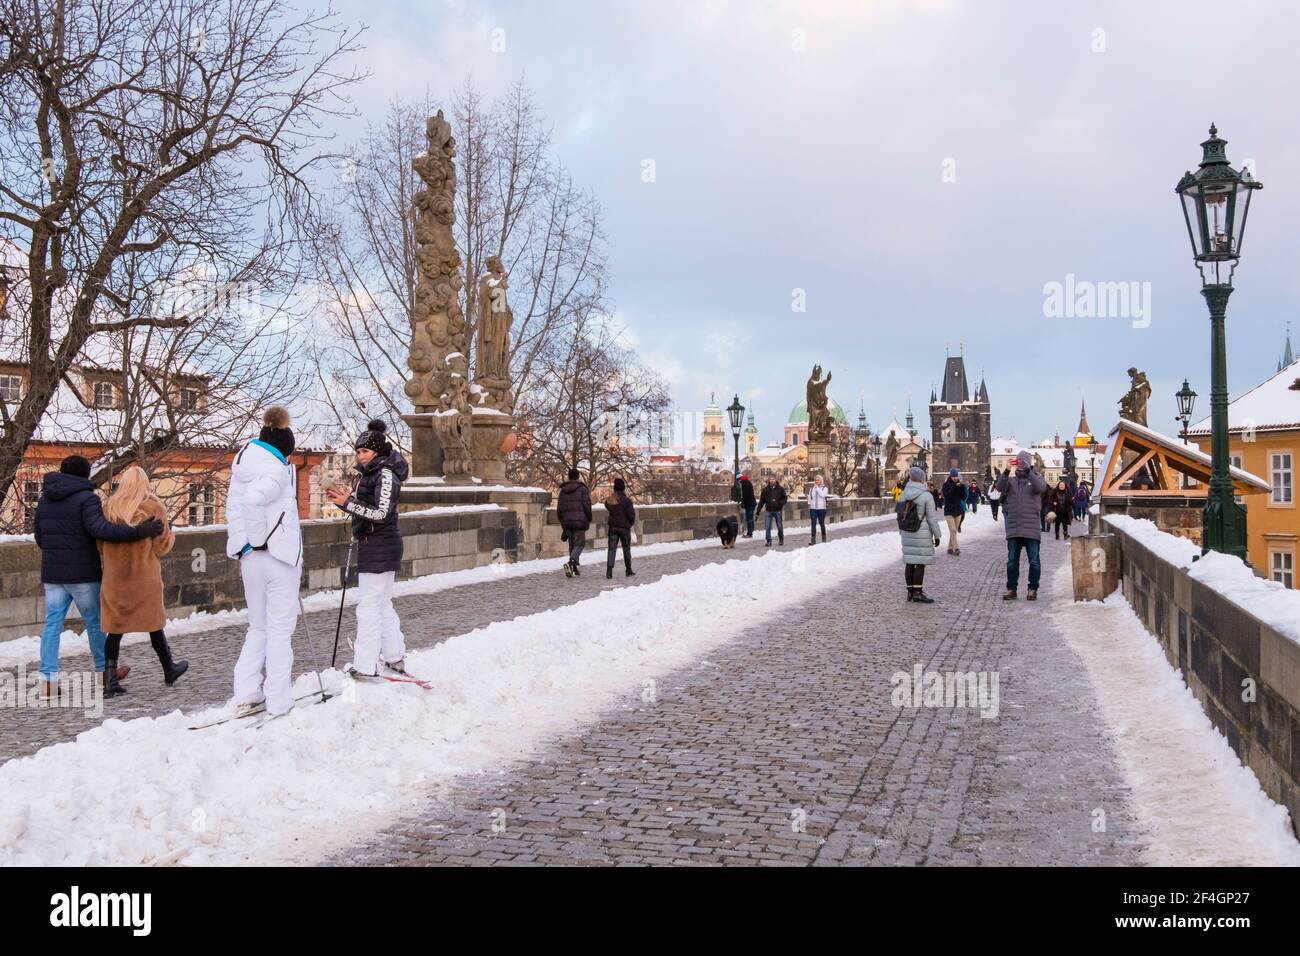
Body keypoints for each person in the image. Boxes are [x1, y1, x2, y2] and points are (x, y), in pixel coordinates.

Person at [32, 455, 163, 698]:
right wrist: (140, 531)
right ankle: (105, 674)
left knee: (52, 626)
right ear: (84, 475)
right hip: (82, 573)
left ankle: (48, 681)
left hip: (53, 574)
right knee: (95, 623)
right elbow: (101, 530)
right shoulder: (87, 499)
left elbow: (40, 536)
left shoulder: (45, 499)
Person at [227, 406, 304, 717]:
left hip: (250, 558)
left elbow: (241, 504)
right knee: (280, 630)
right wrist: (260, 538)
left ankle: (246, 690)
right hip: (277, 556)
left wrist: (250, 544)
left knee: (258, 628)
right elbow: (253, 501)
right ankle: (278, 698)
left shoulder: (245, 460)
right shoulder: (275, 469)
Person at [328, 420, 409, 677]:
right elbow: (368, 509)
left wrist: (349, 503)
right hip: (376, 543)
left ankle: (364, 666)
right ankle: (394, 656)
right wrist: (345, 502)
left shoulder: (385, 474)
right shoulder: (375, 472)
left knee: (369, 606)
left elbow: (381, 513)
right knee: (381, 603)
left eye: (363, 451)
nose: (359, 456)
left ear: (376, 451)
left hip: (380, 544)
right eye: (358, 452)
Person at [98, 466, 185, 695]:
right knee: (154, 625)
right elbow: (162, 546)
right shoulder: (153, 508)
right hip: (144, 579)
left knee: (114, 630)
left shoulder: (109, 508)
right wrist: (170, 533)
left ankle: (109, 682)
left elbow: (99, 544)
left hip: (115, 579)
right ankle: (169, 669)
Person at [996, 450, 1047, 600]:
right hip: (1014, 528)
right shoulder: (1010, 481)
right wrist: (1006, 470)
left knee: (1034, 562)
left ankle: (1032, 589)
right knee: (1012, 562)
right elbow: (999, 487)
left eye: (1022, 462)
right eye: (1018, 462)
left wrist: (1028, 470)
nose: (1020, 465)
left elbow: (1041, 488)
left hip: (1031, 529)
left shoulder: (1036, 478)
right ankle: (1011, 589)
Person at [898, 466, 942, 604]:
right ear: (922, 479)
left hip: (906, 531)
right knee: (920, 562)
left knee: (909, 562)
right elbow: (932, 518)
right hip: (921, 531)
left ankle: (910, 592)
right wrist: (937, 535)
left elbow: (899, 514)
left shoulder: (903, 494)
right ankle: (918, 592)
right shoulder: (927, 495)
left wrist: (902, 530)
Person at [556, 467, 593, 577]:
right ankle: (571, 562)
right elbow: (587, 506)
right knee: (579, 544)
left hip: (567, 522)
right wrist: (589, 518)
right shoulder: (582, 489)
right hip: (579, 521)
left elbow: (559, 509)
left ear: (569, 476)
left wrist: (563, 522)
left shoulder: (563, 490)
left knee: (572, 545)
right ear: (578, 477)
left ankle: (574, 568)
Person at [604, 476, 636, 578]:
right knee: (626, 549)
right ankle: (628, 570)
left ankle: (609, 571)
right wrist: (629, 524)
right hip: (624, 528)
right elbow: (631, 516)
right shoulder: (627, 501)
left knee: (611, 549)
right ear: (623, 488)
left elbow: (608, 506)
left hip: (613, 527)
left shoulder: (610, 501)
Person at [941, 468, 966, 555]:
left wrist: (962, 488)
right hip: (949, 511)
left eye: (956, 476)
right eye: (953, 476)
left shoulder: (959, 484)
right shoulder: (945, 485)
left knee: (953, 531)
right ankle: (956, 548)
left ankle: (950, 548)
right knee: (953, 529)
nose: (955, 478)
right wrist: (954, 487)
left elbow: (963, 497)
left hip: (958, 511)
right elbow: (947, 495)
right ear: (950, 476)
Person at [757, 476, 787, 546]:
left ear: (775, 480)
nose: (772, 481)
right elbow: (762, 501)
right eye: (770, 479)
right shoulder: (765, 490)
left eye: (773, 479)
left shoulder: (780, 489)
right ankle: (768, 541)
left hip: (777, 510)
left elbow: (785, 498)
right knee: (767, 527)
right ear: (769, 480)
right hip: (768, 511)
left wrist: (780, 504)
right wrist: (758, 511)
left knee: (779, 526)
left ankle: (781, 539)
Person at [808, 474, 829, 544]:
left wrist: (817, 488)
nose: (816, 481)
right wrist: (809, 504)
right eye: (815, 480)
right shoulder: (811, 489)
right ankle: (813, 539)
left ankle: (823, 538)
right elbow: (809, 497)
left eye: (818, 480)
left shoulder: (824, 488)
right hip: (813, 509)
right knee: (813, 524)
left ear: (821, 481)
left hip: (821, 509)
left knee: (821, 523)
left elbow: (822, 495)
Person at [739, 472, 756, 537]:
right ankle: (751, 531)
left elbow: (746, 495)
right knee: (750, 518)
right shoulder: (748, 482)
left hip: (749, 504)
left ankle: (750, 533)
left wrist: (743, 502)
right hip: (752, 503)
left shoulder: (744, 483)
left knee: (749, 518)